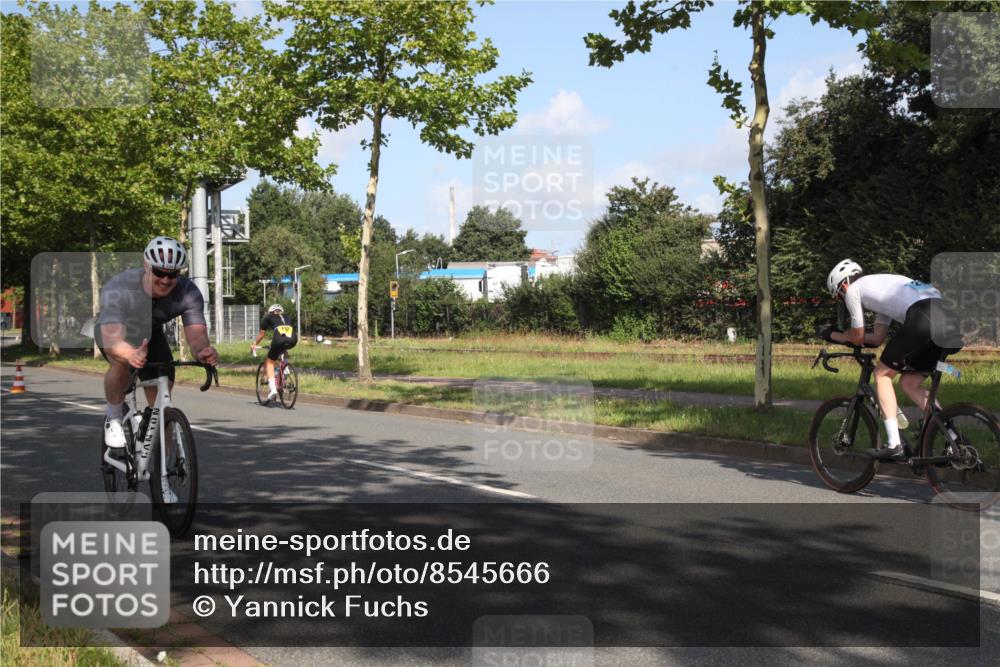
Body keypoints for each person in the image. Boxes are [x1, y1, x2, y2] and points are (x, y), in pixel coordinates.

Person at [96, 237, 218, 498]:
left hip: (151, 334)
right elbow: (112, 338)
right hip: (117, 332)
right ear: (146, 266)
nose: (165, 279)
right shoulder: (121, 287)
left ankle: (162, 479)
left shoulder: (187, 292)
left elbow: (196, 334)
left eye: (172, 274)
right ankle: (114, 417)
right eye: (160, 272)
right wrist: (130, 354)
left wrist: (203, 351)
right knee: (121, 362)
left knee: (163, 407)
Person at [817, 259, 962, 459]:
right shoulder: (882, 285)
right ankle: (954, 441)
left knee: (882, 375)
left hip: (924, 315)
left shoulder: (853, 290)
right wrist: (848, 337)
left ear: (843, 284)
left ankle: (894, 444)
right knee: (910, 383)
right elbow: (877, 338)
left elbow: (858, 338)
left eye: (840, 296)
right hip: (949, 317)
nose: (843, 299)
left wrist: (832, 335)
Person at [253, 303, 297, 402]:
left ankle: (273, 390)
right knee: (284, 348)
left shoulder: (268, 317)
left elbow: (261, 334)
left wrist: (254, 343)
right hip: (293, 339)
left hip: (278, 339)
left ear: (271, 312)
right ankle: (286, 369)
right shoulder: (287, 316)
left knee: (269, 362)